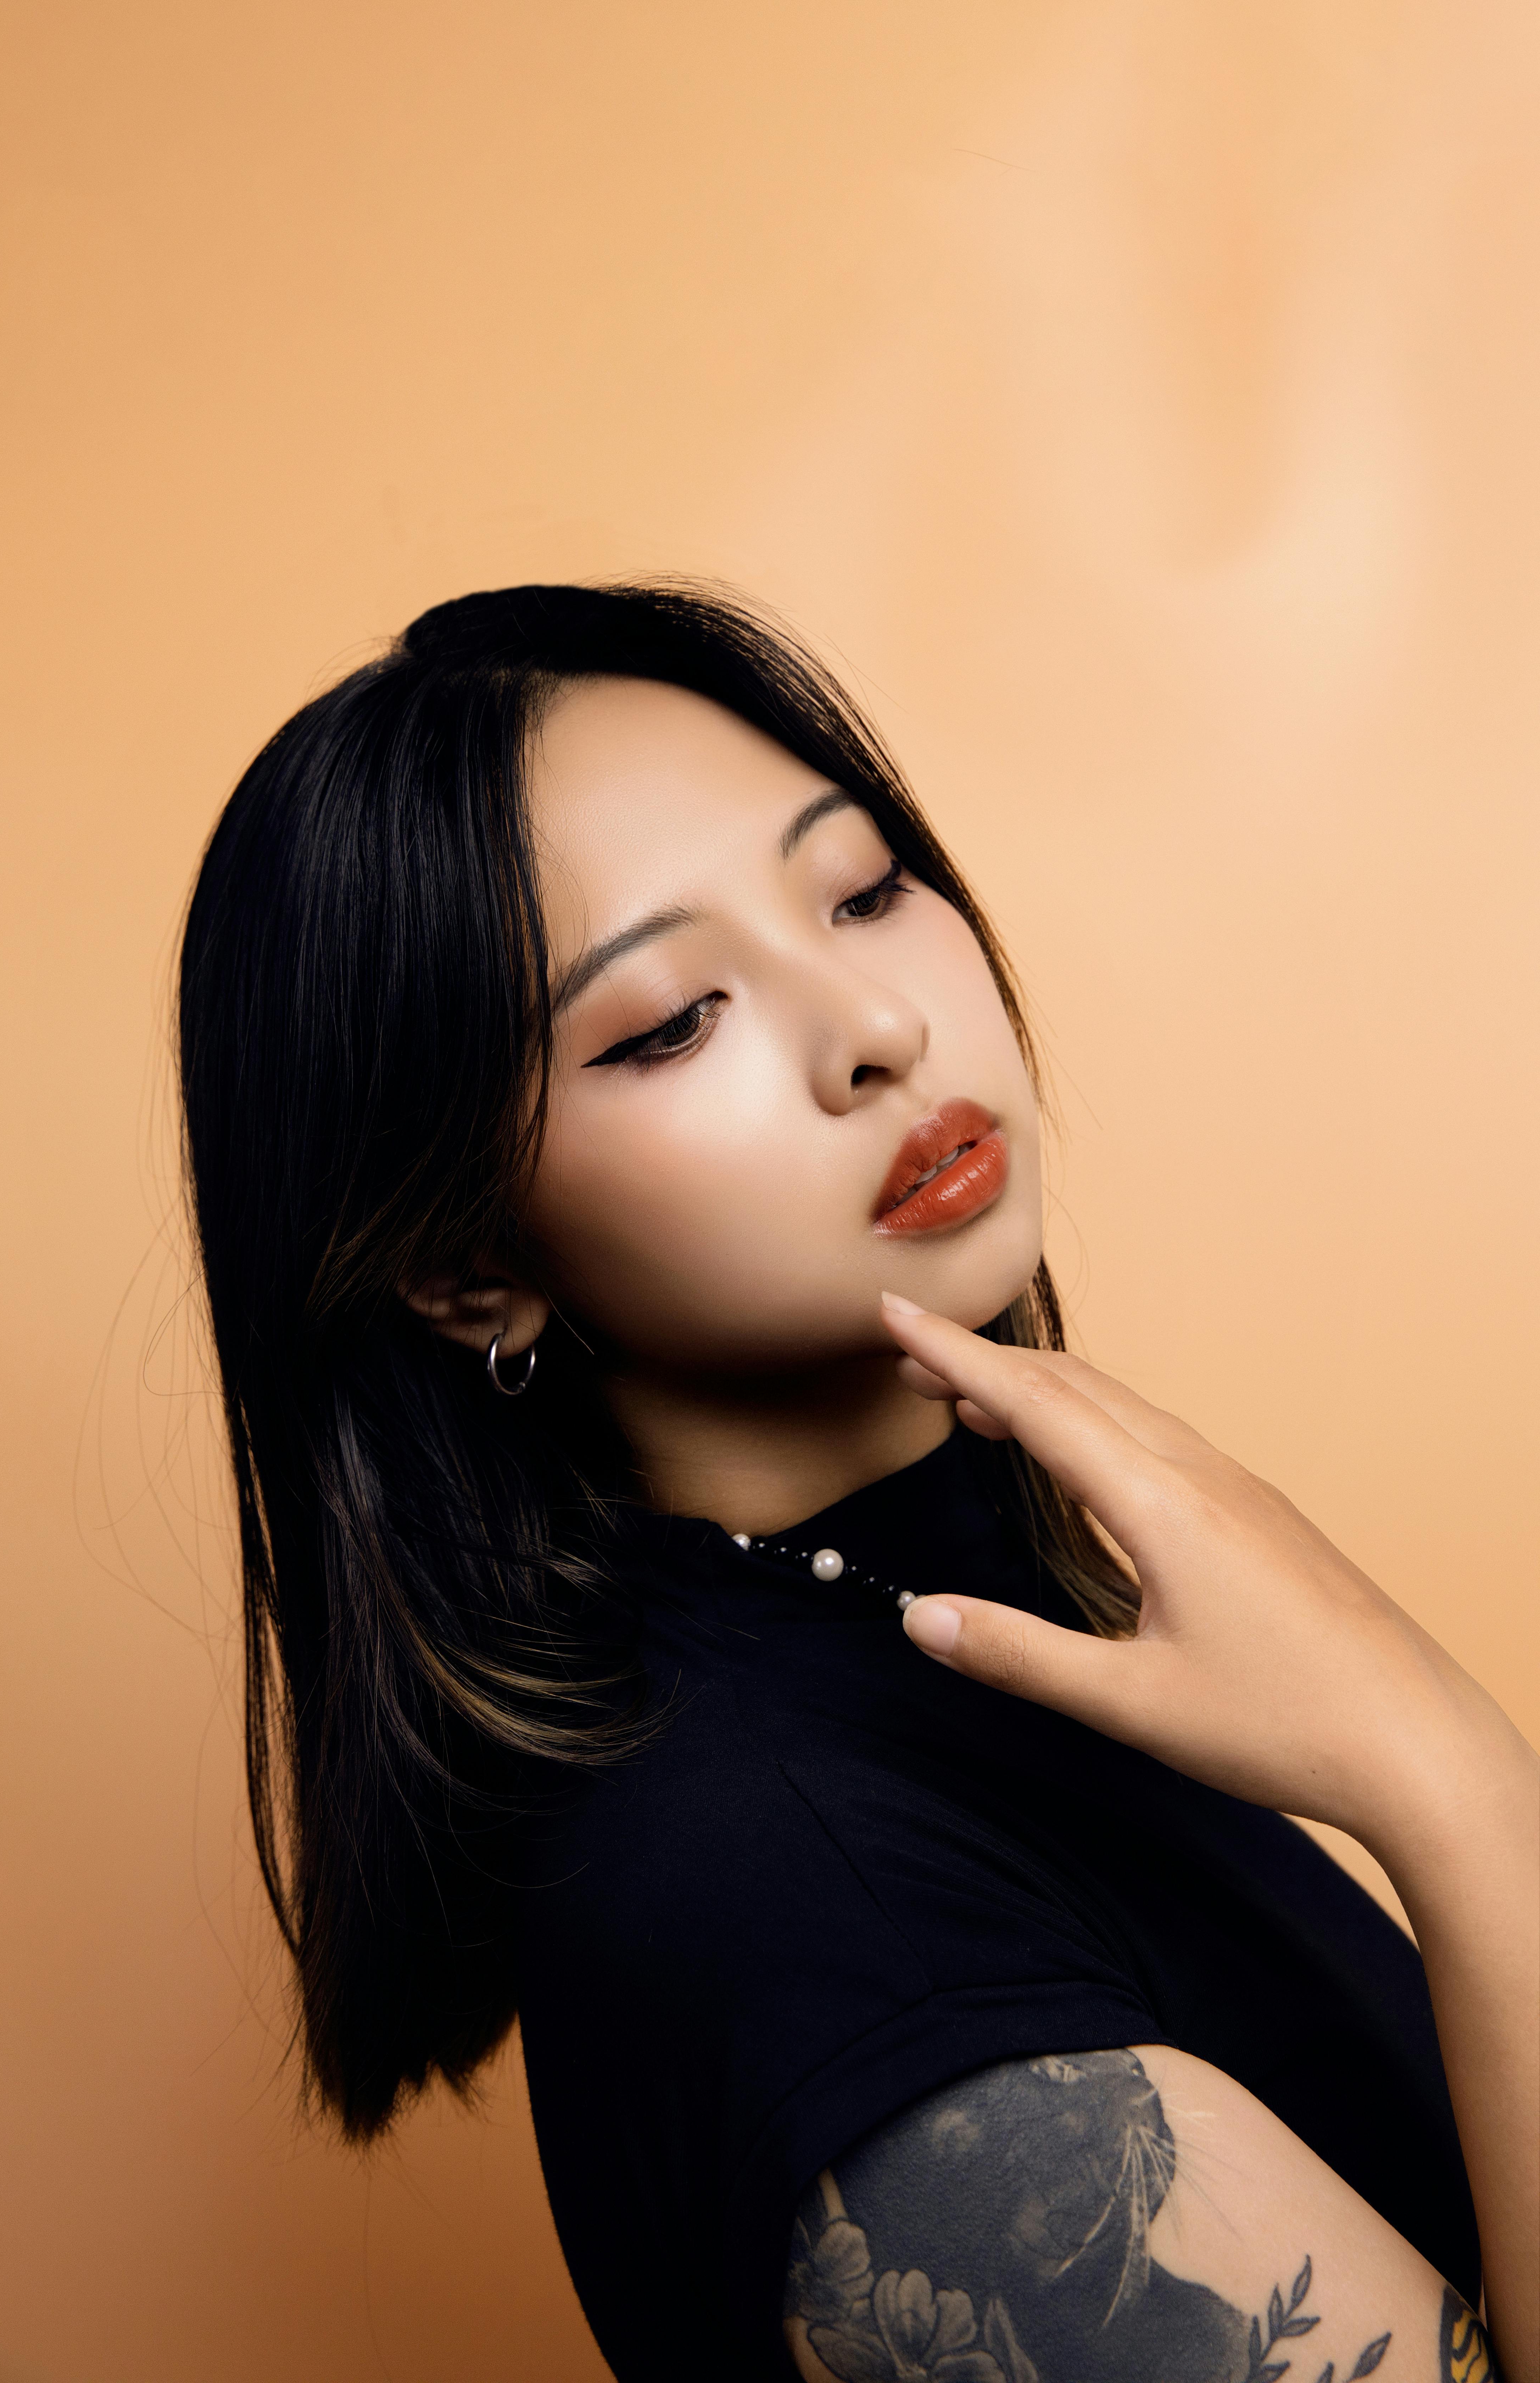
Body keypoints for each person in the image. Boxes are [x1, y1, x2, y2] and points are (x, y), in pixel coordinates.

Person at [177, 582, 1536, 2383]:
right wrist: (1449, 1787)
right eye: (667, 1021)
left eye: (864, 888)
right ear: (462, 1272)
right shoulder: (810, 1909)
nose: (871, 1028)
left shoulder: (957, 1633)